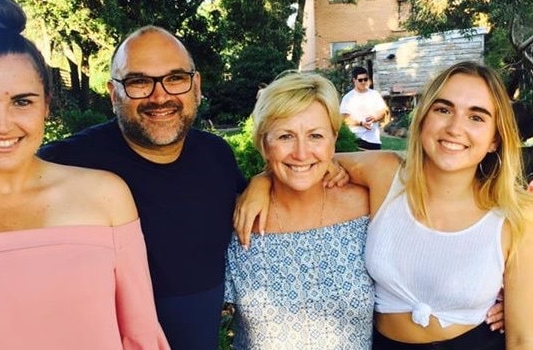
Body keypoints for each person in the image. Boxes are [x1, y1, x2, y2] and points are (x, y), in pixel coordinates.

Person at [0, 0, 169, 349]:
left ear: (47, 103)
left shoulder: (105, 197)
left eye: (22, 101)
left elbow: (140, 337)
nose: (3, 125)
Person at [235, 61, 532, 349]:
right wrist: (261, 182)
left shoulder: (516, 216)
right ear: (424, 117)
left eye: (476, 117)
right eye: (443, 109)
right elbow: (308, 160)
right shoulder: (385, 173)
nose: (455, 127)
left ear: (495, 138)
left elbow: (522, 340)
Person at [38, 25, 247, 349]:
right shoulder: (67, 163)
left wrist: (262, 184)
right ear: (113, 93)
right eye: (139, 82)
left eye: (175, 78)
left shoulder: (216, 155)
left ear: (196, 85)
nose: (160, 96)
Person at [224, 71, 374, 349]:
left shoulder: (368, 209)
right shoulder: (240, 219)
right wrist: (261, 180)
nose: (302, 153)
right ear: (263, 143)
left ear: (333, 138)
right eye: (285, 136)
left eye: (316, 136)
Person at [339, 66, 388, 150]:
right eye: (360, 80)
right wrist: (361, 123)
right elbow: (345, 118)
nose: (363, 82)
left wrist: (375, 118)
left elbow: (383, 111)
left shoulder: (374, 94)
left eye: (365, 79)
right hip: (355, 139)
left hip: (373, 140)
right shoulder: (348, 97)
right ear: (354, 80)